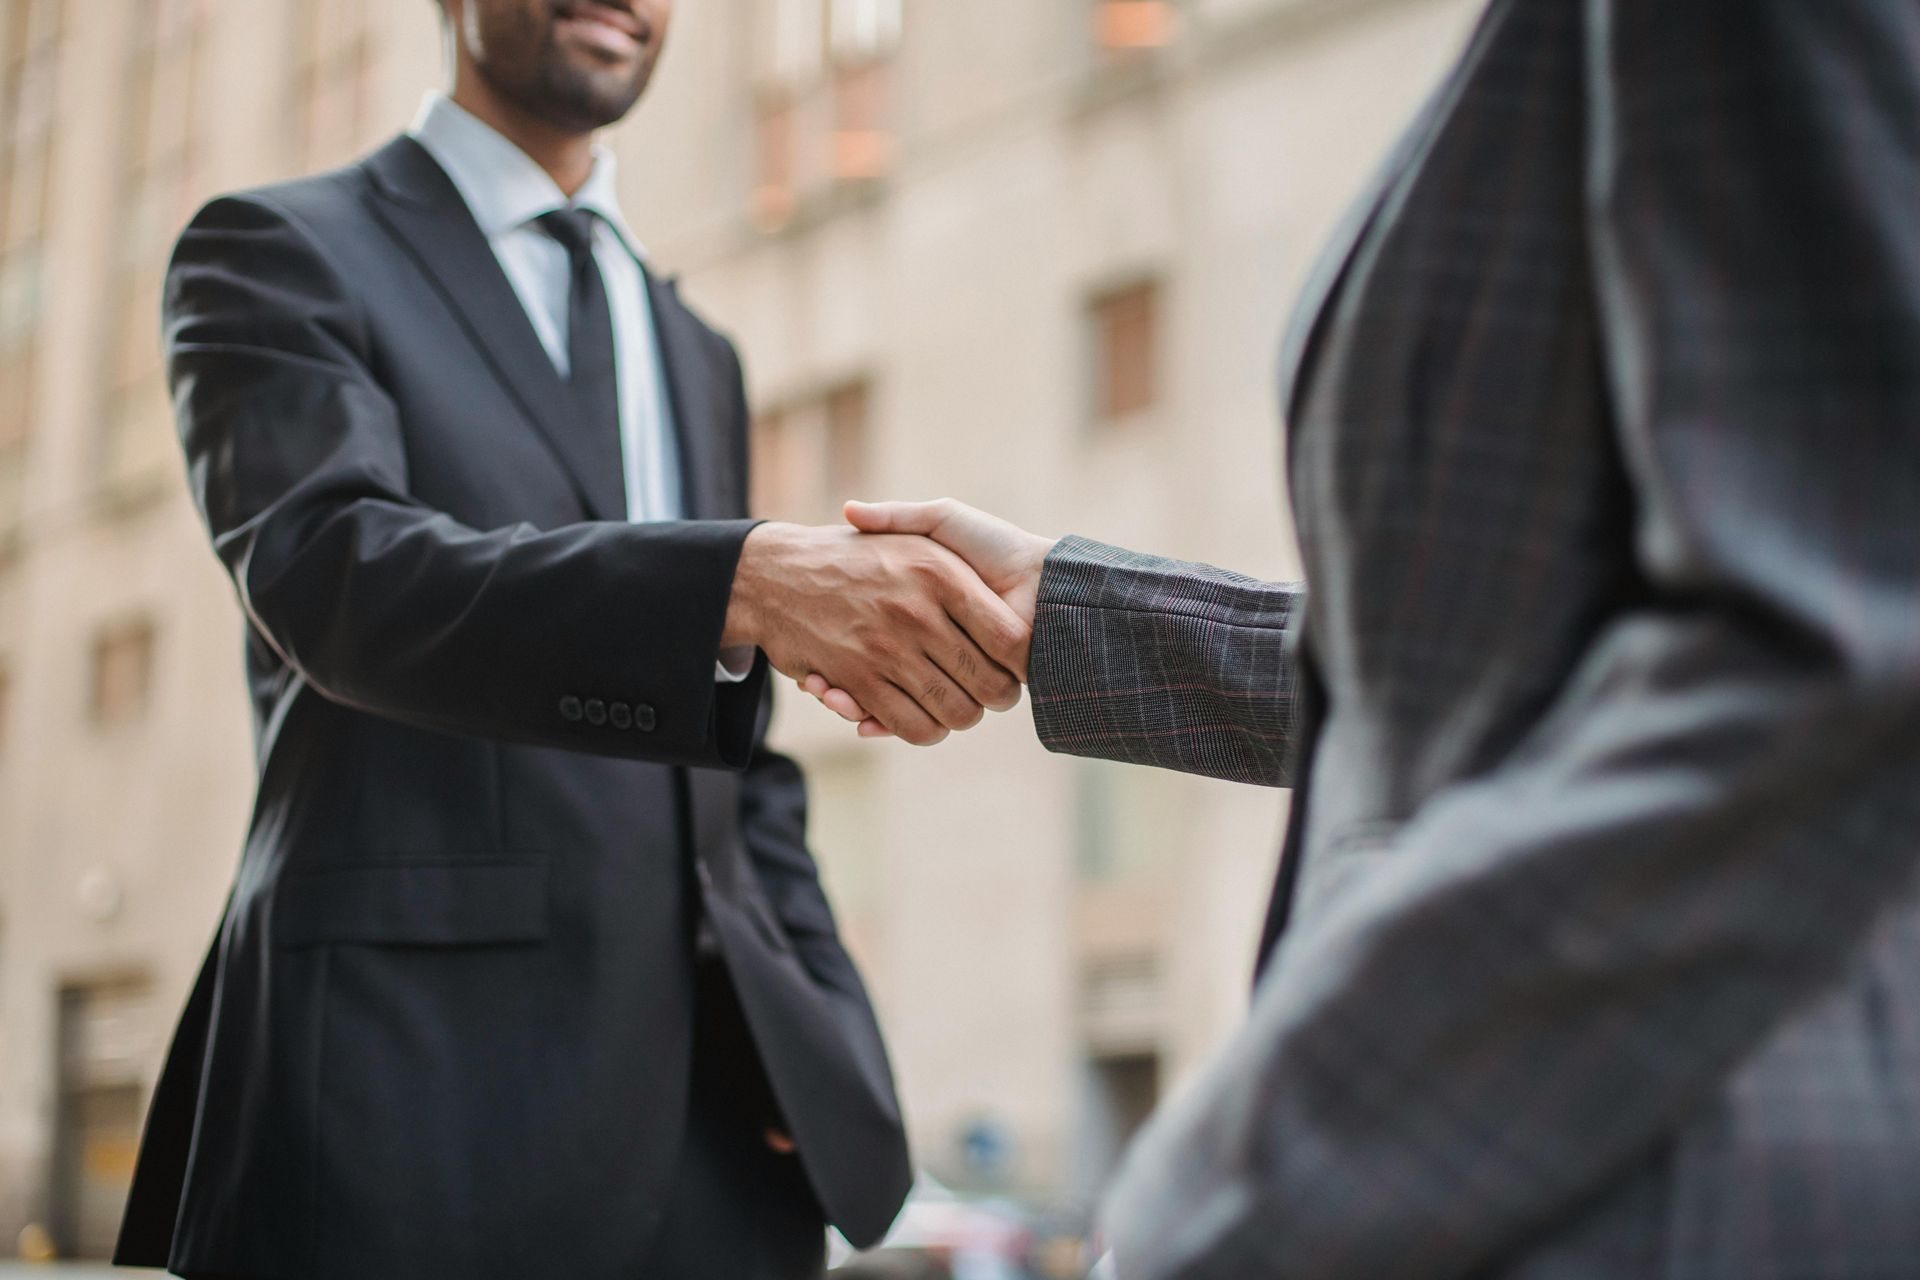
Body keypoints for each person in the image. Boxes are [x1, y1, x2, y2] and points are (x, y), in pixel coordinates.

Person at [810, 1, 1920, 1276]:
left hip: (1646, 1167)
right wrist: (1073, 614)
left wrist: (1268, 1162)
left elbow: (1838, 654)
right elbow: (1503, 668)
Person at [113, 1, 1031, 1276]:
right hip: (413, 1102)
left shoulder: (695, 349)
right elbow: (339, 578)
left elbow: (737, 748)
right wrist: (741, 579)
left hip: (715, 1135)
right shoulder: (276, 251)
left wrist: (813, 1024)